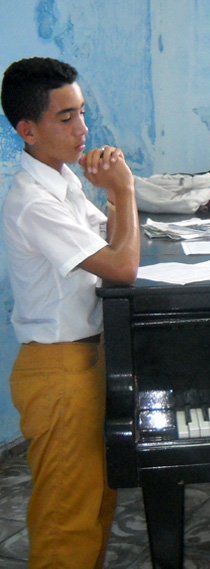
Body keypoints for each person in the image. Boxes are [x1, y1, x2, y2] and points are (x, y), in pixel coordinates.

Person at [1, 57, 139, 568]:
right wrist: (123, 189)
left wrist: (118, 199)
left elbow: (112, 240)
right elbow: (123, 264)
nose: (83, 129)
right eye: (67, 119)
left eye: (82, 114)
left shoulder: (63, 183)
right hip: (58, 371)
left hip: (84, 361)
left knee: (95, 505)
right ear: (27, 130)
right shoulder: (33, 201)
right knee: (67, 526)